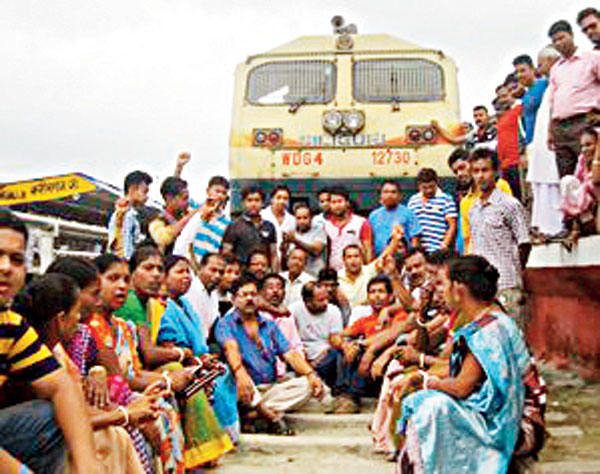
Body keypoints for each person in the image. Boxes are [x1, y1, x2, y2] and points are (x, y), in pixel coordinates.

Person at [397, 256, 530, 474]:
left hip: (500, 421)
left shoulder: (487, 330)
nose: (438, 290)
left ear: (458, 288)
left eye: (442, 283)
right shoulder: (487, 320)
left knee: (426, 407)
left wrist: (425, 381)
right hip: (502, 408)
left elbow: (461, 387)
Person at [20, 273, 160, 474]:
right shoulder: (37, 355)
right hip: (41, 438)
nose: (79, 320)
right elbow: (64, 417)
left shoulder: (57, 349)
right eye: (76, 312)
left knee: (116, 434)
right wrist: (125, 414)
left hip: (64, 425)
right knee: (108, 436)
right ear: (61, 319)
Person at [0, 211, 98, 474]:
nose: (5, 267)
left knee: (57, 414)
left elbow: (61, 387)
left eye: (16, 259)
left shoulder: (10, 325)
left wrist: (88, 465)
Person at [215, 276, 325, 434]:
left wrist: (310, 374)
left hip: (268, 388)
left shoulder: (269, 325)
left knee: (307, 385)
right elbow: (230, 348)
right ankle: (269, 416)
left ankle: (254, 413)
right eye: (244, 295)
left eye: (253, 295)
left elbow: (290, 354)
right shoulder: (226, 323)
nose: (249, 299)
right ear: (233, 299)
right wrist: (240, 373)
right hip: (242, 386)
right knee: (232, 374)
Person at [157, 255, 239, 447]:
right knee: (213, 381)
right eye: (179, 272)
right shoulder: (163, 305)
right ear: (165, 276)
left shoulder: (185, 303)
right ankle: (210, 440)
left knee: (226, 372)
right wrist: (197, 360)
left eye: (188, 272)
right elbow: (168, 345)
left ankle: (227, 434)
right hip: (182, 363)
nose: (186, 276)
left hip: (197, 359)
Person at [468, 148, 530, 328]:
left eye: (485, 170)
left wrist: (516, 272)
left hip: (507, 284)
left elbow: (524, 243)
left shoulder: (510, 205)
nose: (480, 176)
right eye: (476, 171)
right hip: (482, 288)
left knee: (514, 338)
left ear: (496, 172)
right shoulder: (473, 209)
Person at [338, 275, 409, 414]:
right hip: (366, 363)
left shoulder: (400, 315)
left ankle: (352, 397)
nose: (376, 296)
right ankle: (346, 396)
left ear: (390, 296)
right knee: (339, 352)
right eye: (372, 292)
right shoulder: (365, 320)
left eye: (380, 292)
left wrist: (360, 345)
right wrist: (345, 345)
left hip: (387, 359)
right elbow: (339, 336)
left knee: (360, 351)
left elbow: (392, 335)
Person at [115, 245, 191, 366]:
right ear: (131, 273)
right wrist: (184, 353)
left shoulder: (150, 304)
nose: (156, 274)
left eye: (160, 269)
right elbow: (149, 355)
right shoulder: (129, 301)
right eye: (148, 268)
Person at [547, 20, 600, 178]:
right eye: (554, 41)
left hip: (584, 123)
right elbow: (553, 101)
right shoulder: (556, 68)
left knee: (590, 174)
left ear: (571, 35)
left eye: (561, 38)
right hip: (560, 129)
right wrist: (550, 131)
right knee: (567, 178)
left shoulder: (592, 57)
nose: (559, 43)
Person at [527, 45, 564, 238]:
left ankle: (556, 227)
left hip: (552, 146)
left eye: (540, 64)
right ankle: (544, 228)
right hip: (541, 149)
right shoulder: (548, 85)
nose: (538, 69)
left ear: (551, 62)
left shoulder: (559, 83)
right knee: (542, 187)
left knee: (554, 185)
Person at [289, 282, 347, 405]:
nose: (325, 303)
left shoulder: (333, 310)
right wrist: (304, 364)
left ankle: (339, 392)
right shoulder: (294, 310)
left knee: (338, 353)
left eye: (326, 298)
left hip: (324, 357)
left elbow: (335, 340)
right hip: (301, 356)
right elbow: (290, 340)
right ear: (307, 301)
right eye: (320, 300)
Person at [173, 174, 231, 262]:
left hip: (208, 265)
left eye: (223, 193)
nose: (219, 195)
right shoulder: (194, 208)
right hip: (188, 260)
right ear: (208, 191)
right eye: (217, 191)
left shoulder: (226, 223)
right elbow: (176, 193)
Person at [222, 185, 279, 271]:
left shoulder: (269, 226)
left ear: (263, 203)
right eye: (249, 200)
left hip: (263, 273)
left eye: (257, 200)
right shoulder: (234, 226)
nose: (253, 204)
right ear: (243, 203)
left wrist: (274, 275)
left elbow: (273, 254)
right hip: (242, 274)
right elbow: (226, 253)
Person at [560, 127, 600, 240]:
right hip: (587, 213)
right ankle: (581, 225)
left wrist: (597, 155)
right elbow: (579, 183)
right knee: (568, 181)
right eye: (582, 146)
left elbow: (596, 180)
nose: (584, 149)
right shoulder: (582, 161)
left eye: (589, 145)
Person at [324, 185, 373, 270]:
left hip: (357, 273)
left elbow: (368, 250)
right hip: (335, 274)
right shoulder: (326, 226)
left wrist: (368, 271)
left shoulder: (361, 223)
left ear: (347, 203)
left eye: (340, 201)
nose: (337, 205)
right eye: (333, 202)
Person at [407, 168, 457, 253]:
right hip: (417, 250)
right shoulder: (413, 200)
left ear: (437, 183)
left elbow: (452, 225)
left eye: (432, 187)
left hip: (437, 249)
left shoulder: (446, 199)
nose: (429, 190)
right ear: (419, 185)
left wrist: (444, 246)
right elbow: (410, 224)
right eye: (425, 188)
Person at [108, 170, 153, 260]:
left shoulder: (126, 212)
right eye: (145, 191)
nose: (147, 197)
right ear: (132, 189)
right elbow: (125, 244)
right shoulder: (125, 213)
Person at [369, 180, 420, 256]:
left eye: (393, 192)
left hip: (401, 258)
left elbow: (415, 239)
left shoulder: (408, 213)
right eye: (386, 192)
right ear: (380, 195)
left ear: (399, 195)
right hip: (379, 259)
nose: (389, 195)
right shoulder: (373, 216)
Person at [148, 177, 198, 255]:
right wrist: (190, 217)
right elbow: (163, 238)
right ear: (169, 198)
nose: (187, 203)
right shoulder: (156, 219)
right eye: (184, 198)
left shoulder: (187, 215)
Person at [281, 202, 327, 277]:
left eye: (305, 218)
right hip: (295, 275)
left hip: (313, 274)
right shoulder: (291, 230)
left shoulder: (319, 230)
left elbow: (316, 250)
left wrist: (296, 241)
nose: (302, 221)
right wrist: (284, 246)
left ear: (311, 218)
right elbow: (285, 256)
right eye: (298, 218)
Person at [186, 252, 225, 340]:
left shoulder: (214, 295)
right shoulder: (190, 287)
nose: (217, 276)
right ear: (201, 268)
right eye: (213, 270)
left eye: (221, 272)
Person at [495, 82, 524, 200]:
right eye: (499, 97)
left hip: (516, 162)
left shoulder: (519, 108)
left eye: (504, 96)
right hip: (504, 165)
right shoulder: (502, 117)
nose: (502, 100)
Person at [260, 185, 296, 261]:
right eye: (278, 197)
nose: (282, 201)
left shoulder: (292, 220)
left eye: (285, 198)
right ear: (272, 199)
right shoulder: (262, 216)